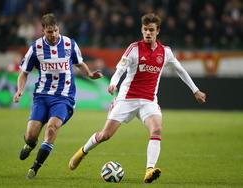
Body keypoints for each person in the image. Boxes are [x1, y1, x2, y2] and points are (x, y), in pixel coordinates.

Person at [68, 13, 206, 183]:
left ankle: (149, 169)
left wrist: (196, 91)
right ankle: (82, 152)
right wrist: (113, 84)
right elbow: (120, 69)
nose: (148, 33)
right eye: (145, 29)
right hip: (127, 99)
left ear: (158, 31)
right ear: (142, 30)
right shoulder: (134, 48)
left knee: (156, 130)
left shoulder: (166, 52)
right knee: (105, 135)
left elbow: (181, 70)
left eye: (151, 30)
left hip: (148, 101)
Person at [13, 13, 103, 179]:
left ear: (58, 28)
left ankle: (34, 168)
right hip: (42, 96)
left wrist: (89, 73)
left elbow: (79, 62)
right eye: (49, 32)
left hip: (64, 97)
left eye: (55, 31)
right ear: (43, 31)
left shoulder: (69, 43)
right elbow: (23, 72)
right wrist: (19, 90)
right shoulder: (35, 48)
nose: (53, 35)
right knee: (31, 136)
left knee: (52, 128)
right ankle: (29, 144)